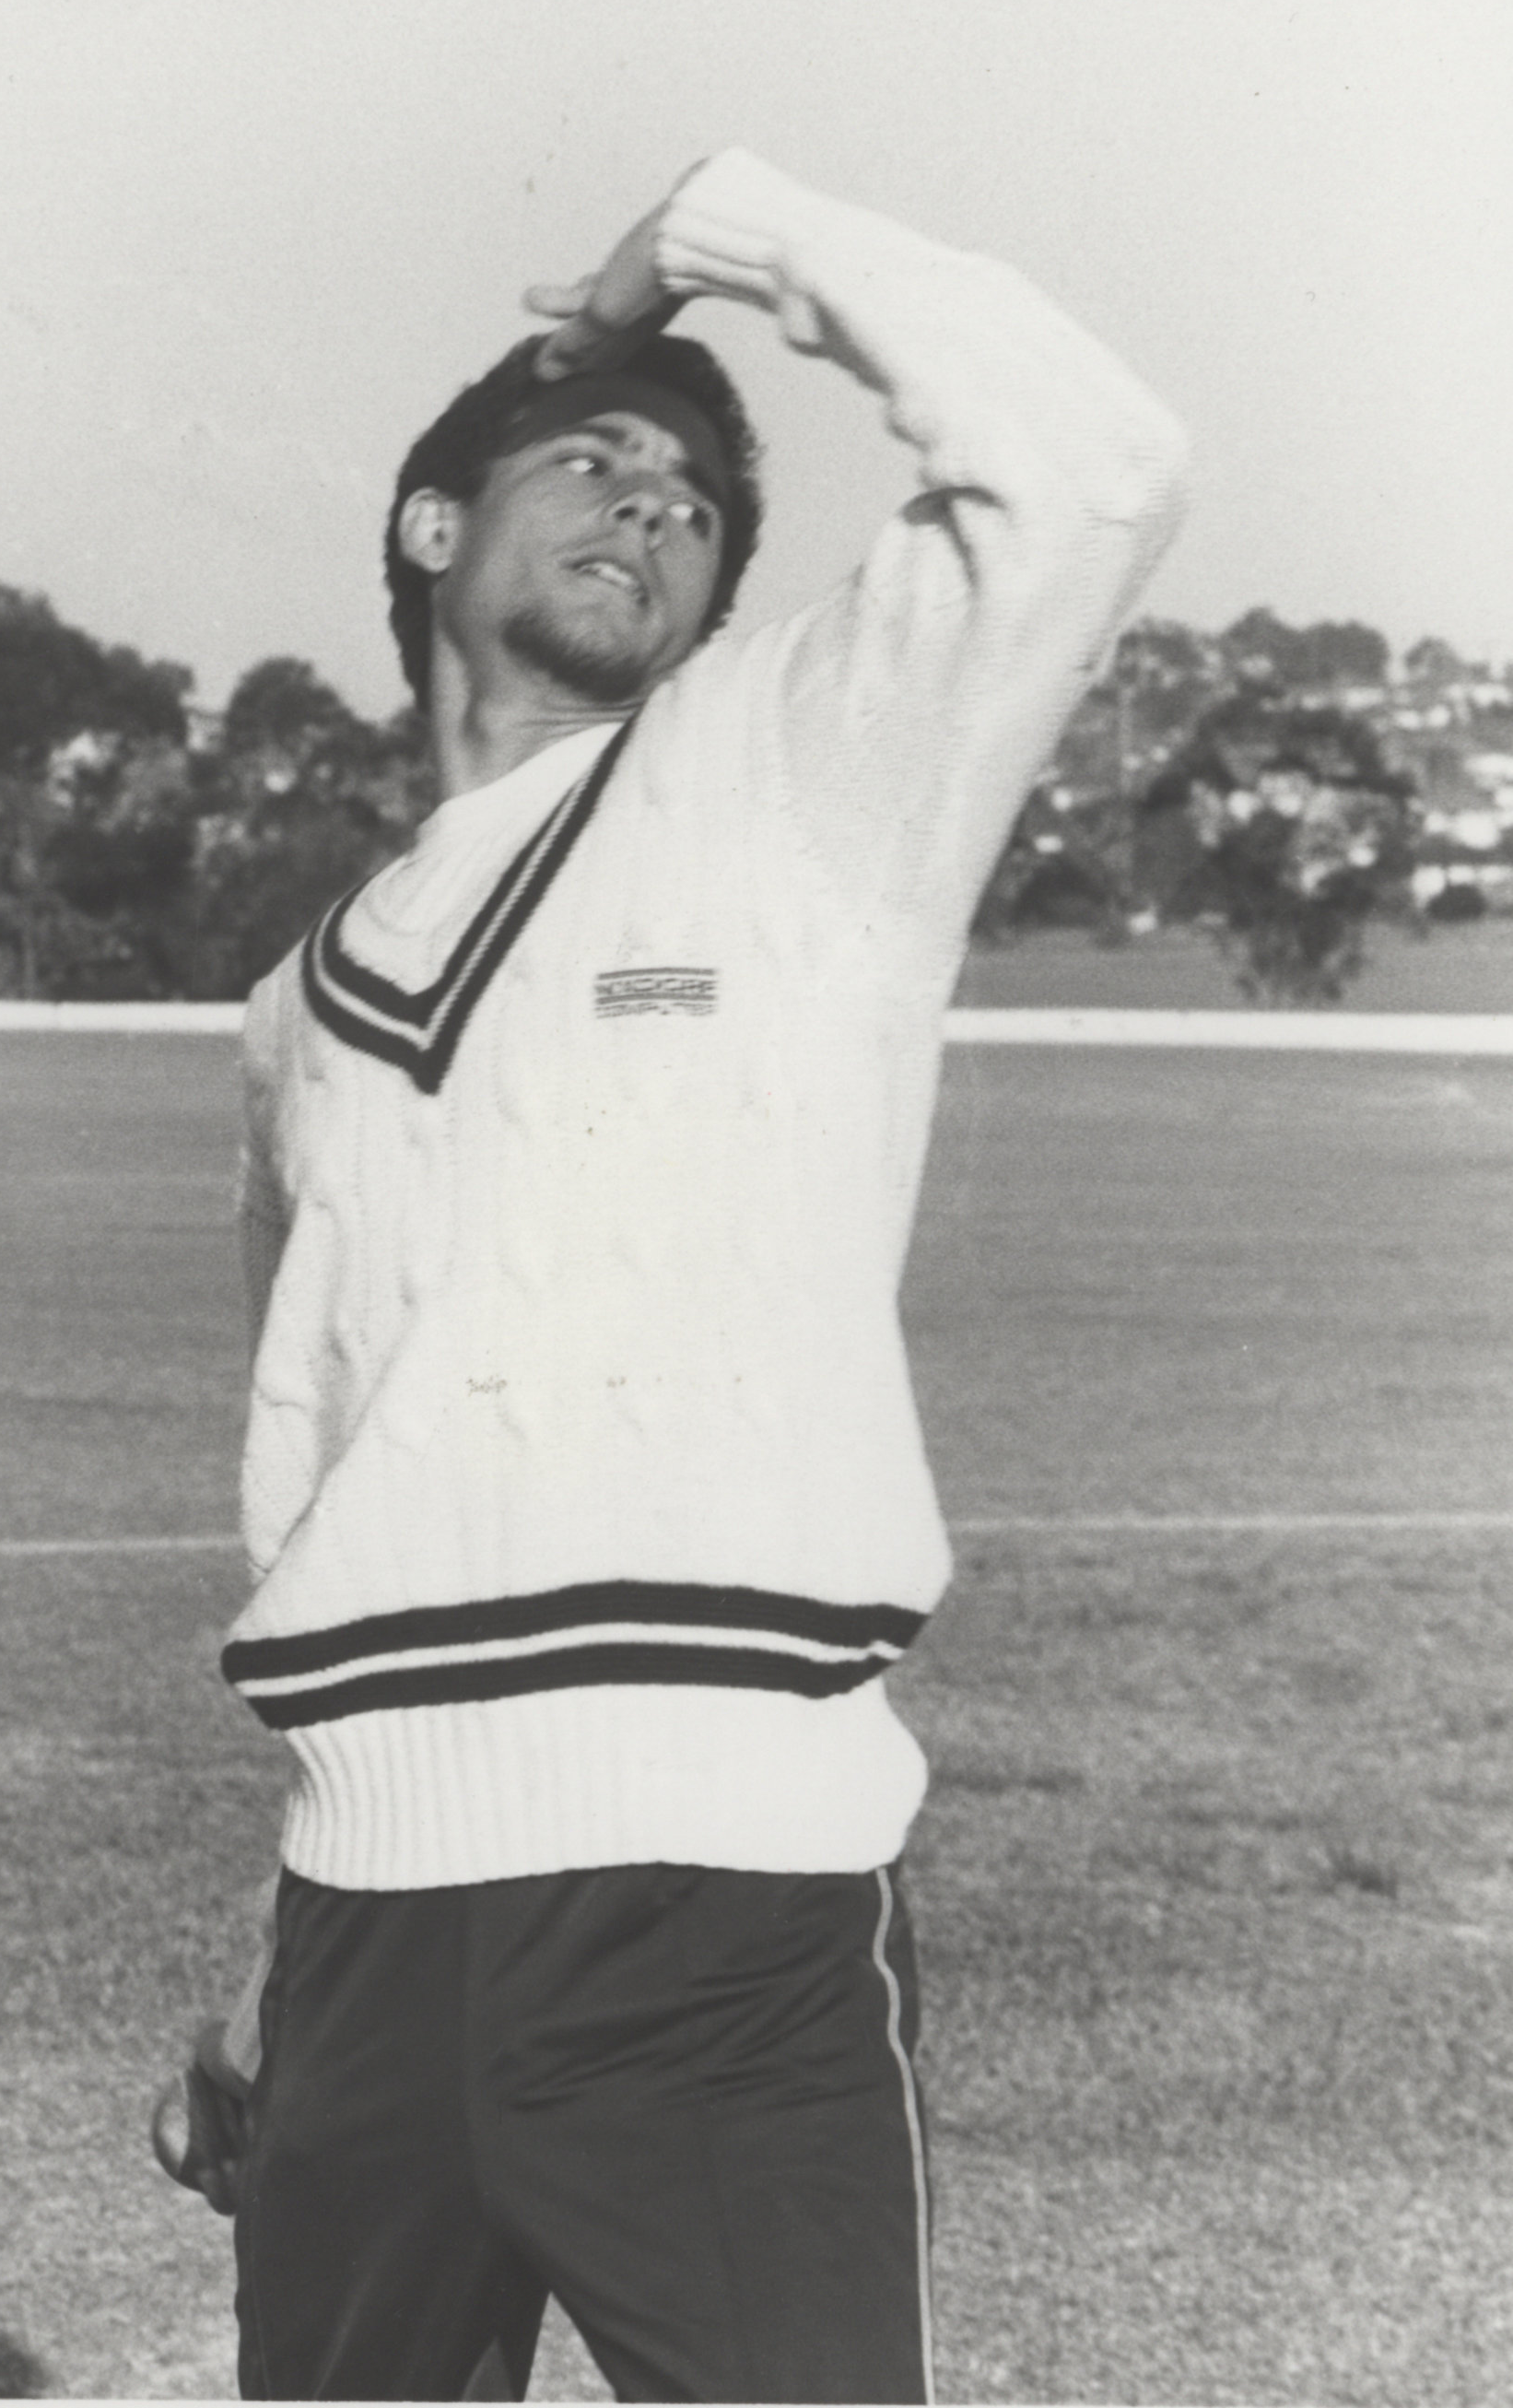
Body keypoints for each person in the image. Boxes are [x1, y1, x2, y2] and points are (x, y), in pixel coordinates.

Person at [159, 147, 1188, 2401]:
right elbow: (337, 1479)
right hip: (364, 1930)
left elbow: (1094, 463)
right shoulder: (287, 1010)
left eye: (698, 502)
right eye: (591, 459)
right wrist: (279, 1931)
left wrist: (722, 225)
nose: (651, 502)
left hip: (715, 1918)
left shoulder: (792, 778)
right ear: (431, 528)